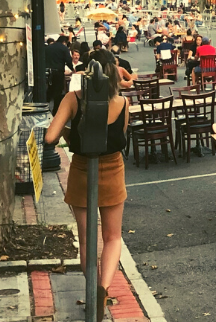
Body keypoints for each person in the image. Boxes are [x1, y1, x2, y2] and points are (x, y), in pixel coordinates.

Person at [43, 49, 128, 321]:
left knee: (87, 239)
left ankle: (92, 291)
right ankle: (103, 290)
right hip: (114, 168)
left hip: (81, 170)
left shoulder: (73, 99)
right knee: (113, 237)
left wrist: (71, 130)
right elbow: (119, 137)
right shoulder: (123, 103)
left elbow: (50, 137)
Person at [46, 35, 75, 106]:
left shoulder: (48, 47)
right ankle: (56, 109)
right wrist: (73, 70)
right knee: (58, 91)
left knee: (49, 90)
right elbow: (68, 61)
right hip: (58, 72)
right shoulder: (64, 48)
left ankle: (46, 105)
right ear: (64, 42)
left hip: (47, 71)